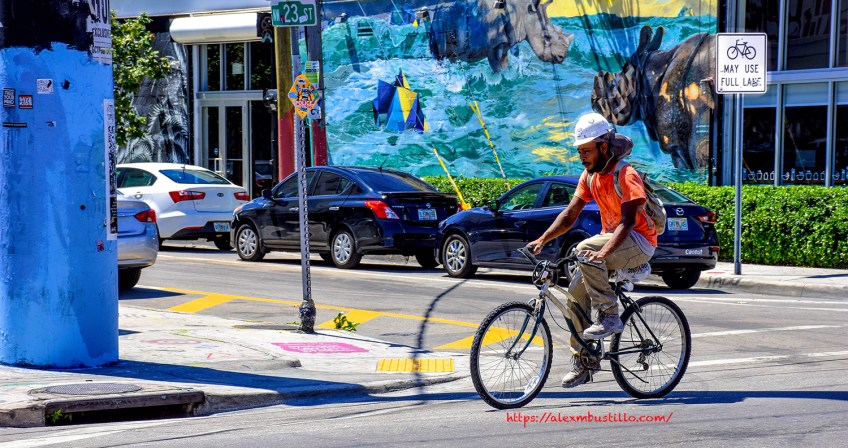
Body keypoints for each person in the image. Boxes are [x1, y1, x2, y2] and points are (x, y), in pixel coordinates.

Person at [527, 112, 657, 388]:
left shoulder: (626, 174)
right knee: (573, 298)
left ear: (603, 146)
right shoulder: (589, 177)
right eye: (579, 151)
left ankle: (610, 315)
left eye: (586, 151)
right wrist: (543, 239)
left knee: (585, 248)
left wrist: (602, 251)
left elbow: (629, 221)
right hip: (612, 240)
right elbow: (570, 213)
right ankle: (585, 363)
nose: (582, 157)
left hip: (639, 241)